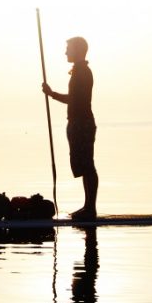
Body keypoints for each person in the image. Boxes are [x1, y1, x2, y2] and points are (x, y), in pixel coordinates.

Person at [42, 36, 98, 220]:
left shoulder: (83, 72)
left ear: (78, 50)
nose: (65, 52)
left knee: (87, 165)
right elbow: (73, 98)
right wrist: (52, 94)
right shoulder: (78, 71)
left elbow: (74, 99)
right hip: (77, 123)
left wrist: (52, 94)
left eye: (68, 48)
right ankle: (87, 207)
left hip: (82, 123)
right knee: (83, 164)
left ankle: (90, 209)